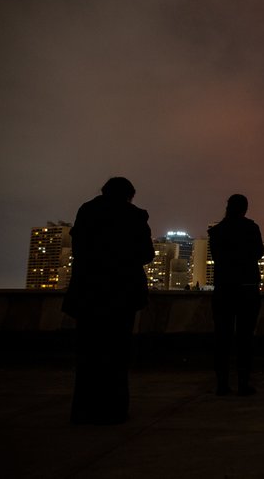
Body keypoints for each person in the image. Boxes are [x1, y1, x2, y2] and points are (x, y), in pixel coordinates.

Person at [63, 177, 155, 425]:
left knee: (87, 354)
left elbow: (78, 248)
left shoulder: (87, 211)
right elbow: (146, 254)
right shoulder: (134, 216)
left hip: (88, 293)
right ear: (129, 195)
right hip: (121, 294)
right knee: (117, 353)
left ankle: (83, 410)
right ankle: (114, 409)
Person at [208, 194, 264, 396]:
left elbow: (216, 257)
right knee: (245, 338)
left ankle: (222, 383)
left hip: (224, 289)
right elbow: (258, 253)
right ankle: (243, 382)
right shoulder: (251, 229)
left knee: (222, 337)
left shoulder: (216, 231)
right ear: (245, 209)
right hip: (247, 289)